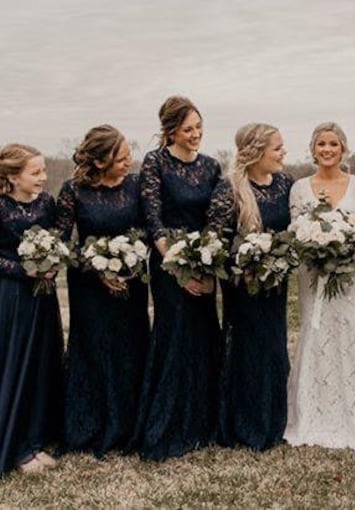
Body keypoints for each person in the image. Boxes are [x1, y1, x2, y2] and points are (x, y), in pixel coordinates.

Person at [0, 144, 63, 476]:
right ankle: (15, 447)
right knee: (15, 367)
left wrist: (52, 262)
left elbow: (57, 239)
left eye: (43, 170)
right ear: (14, 177)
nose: (43, 178)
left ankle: (35, 440)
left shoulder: (47, 203)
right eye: (35, 173)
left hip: (44, 296)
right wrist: (22, 269)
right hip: (14, 297)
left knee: (40, 364)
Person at [284, 122, 355, 453]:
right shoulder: (299, 187)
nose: (327, 149)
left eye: (333, 144)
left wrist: (346, 248)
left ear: (343, 148)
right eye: (321, 144)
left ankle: (352, 413)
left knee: (350, 334)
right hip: (313, 275)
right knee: (316, 335)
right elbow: (297, 232)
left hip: (353, 276)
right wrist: (317, 249)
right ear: (313, 149)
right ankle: (311, 413)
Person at [131, 96, 222, 460]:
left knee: (203, 334)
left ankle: (205, 422)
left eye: (199, 127)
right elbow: (152, 218)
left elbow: (215, 220)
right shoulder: (155, 162)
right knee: (174, 334)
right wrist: (178, 266)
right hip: (168, 262)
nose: (196, 134)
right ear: (170, 130)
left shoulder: (212, 166)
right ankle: (169, 425)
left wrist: (205, 265)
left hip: (203, 262)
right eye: (188, 129)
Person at [55, 125, 150, 457]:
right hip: (88, 287)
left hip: (131, 283)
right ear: (100, 162)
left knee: (130, 347)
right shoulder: (72, 191)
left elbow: (149, 232)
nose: (129, 162)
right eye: (121, 157)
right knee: (93, 350)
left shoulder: (137, 185)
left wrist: (129, 264)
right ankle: (89, 426)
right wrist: (97, 268)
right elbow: (62, 243)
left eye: (128, 155)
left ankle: (129, 425)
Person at [207, 123, 293, 451]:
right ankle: (244, 422)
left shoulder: (284, 183)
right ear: (256, 152)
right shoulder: (229, 188)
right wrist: (244, 266)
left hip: (276, 284)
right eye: (277, 148)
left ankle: (274, 419)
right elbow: (215, 241)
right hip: (242, 287)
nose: (283, 152)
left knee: (273, 348)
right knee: (246, 349)